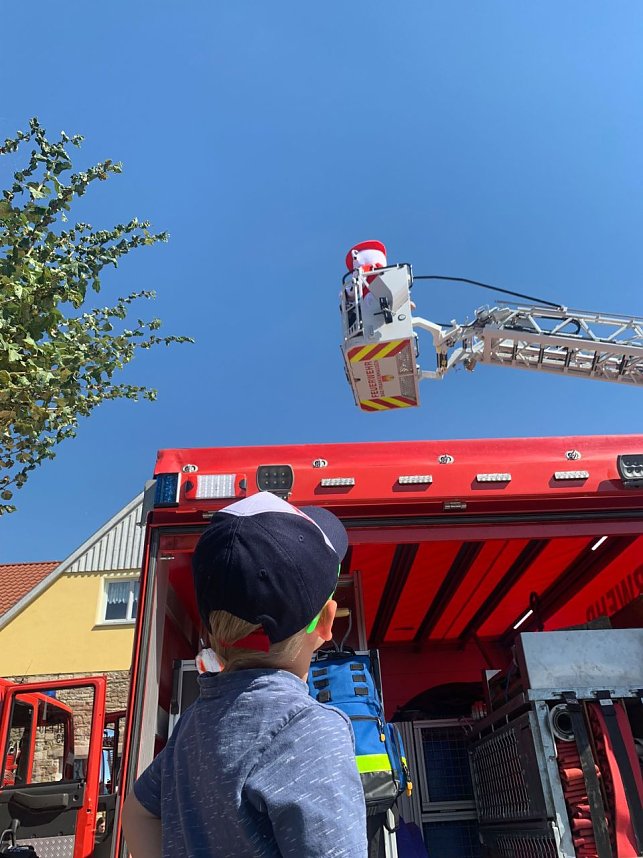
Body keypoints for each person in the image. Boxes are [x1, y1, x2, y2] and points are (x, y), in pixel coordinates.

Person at [122, 491, 367, 858]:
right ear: (327, 622)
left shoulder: (192, 726)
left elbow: (137, 813)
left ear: (210, 632)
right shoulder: (306, 729)